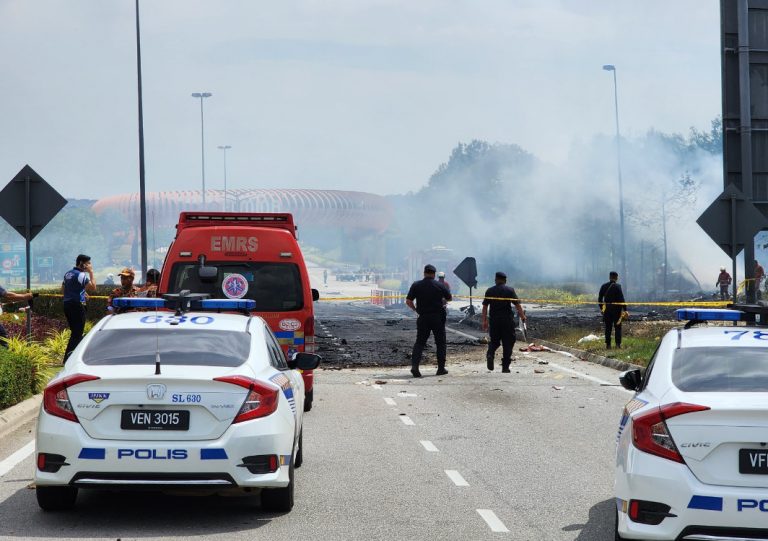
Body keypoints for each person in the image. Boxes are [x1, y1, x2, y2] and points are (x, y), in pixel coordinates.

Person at [405, 264, 452, 378]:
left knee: (420, 342)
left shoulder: (416, 285)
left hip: (423, 317)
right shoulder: (440, 285)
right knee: (440, 343)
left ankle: (415, 367)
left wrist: (415, 310)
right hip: (438, 317)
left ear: (424, 273)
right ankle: (440, 368)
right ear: (434, 274)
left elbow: (408, 301)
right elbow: (449, 298)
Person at [481, 271, 526, 372]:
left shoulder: (489, 291)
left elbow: (484, 307)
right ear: (505, 280)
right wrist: (523, 316)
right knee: (508, 343)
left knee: (495, 341)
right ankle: (505, 367)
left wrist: (484, 321)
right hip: (507, 322)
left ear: (496, 279)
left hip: (494, 321)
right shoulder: (510, 290)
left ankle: (490, 353)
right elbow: (517, 305)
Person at [62, 254, 96, 362]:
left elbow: (63, 289)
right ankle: (68, 359)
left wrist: (81, 292)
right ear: (82, 263)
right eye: (88, 263)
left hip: (67, 304)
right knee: (77, 333)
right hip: (77, 305)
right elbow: (93, 287)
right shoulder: (81, 275)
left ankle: (71, 357)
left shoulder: (68, 273)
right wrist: (91, 272)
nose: (90, 265)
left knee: (75, 332)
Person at [598, 271, 626, 349]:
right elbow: (621, 299)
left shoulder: (604, 286)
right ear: (616, 278)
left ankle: (608, 345)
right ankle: (617, 345)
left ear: (609, 277)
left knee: (608, 328)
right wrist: (625, 309)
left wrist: (602, 309)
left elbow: (600, 299)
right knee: (617, 327)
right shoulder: (618, 286)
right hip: (617, 310)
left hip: (607, 310)